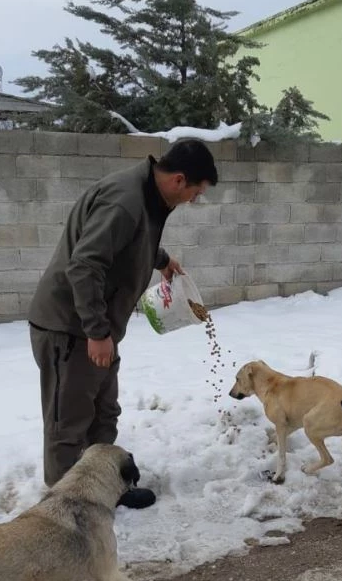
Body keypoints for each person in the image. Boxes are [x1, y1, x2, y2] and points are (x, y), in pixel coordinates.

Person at [28, 139, 218, 506]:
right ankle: (66, 510)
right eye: (197, 192)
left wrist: (160, 258)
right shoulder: (125, 201)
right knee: (67, 425)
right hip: (71, 329)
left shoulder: (147, 195)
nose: (194, 200)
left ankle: (105, 488)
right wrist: (96, 332)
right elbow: (84, 265)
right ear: (179, 180)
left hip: (97, 328)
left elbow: (127, 242)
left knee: (104, 413)